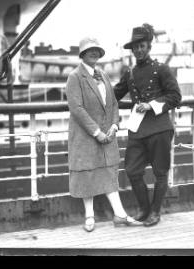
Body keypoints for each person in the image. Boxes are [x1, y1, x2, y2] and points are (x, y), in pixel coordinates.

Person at [66, 37, 142, 232]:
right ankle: (89, 216)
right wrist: (96, 132)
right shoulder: (75, 76)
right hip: (86, 136)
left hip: (107, 134)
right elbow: (77, 108)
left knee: (108, 173)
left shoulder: (103, 75)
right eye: (90, 50)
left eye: (97, 50)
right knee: (87, 173)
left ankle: (120, 214)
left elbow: (114, 103)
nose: (94, 53)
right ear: (82, 54)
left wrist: (115, 126)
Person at [114, 24, 182, 227]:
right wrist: (98, 82)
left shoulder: (161, 69)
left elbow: (175, 96)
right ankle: (144, 209)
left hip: (160, 127)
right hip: (137, 130)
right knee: (132, 170)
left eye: (142, 46)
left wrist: (151, 105)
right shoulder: (131, 74)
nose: (139, 50)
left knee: (161, 172)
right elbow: (114, 95)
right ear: (132, 50)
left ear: (149, 46)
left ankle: (154, 212)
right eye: (135, 47)